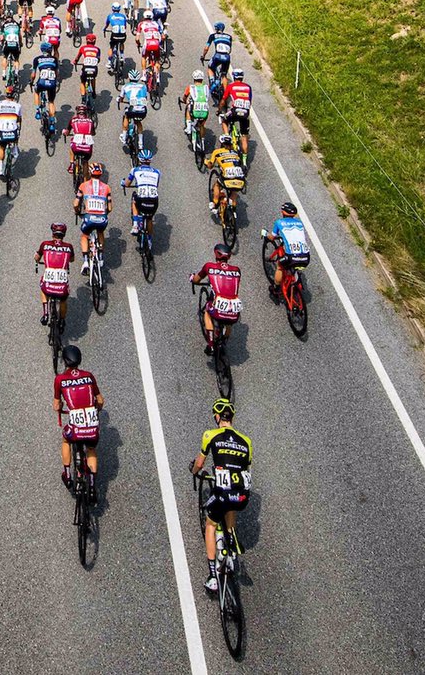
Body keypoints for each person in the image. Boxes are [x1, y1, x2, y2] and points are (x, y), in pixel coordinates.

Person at [188, 398, 253, 594]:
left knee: (211, 522)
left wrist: (194, 471)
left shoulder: (210, 435)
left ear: (217, 417)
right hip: (242, 496)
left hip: (223, 493)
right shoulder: (246, 441)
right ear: (231, 417)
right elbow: (246, 467)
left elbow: (199, 464)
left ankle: (212, 576)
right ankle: (231, 544)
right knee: (231, 504)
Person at [54, 344, 101, 494]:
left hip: (75, 428)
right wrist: (95, 410)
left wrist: (61, 407)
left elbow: (56, 405)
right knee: (91, 448)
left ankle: (67, 475)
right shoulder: (88, 376)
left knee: (66, 440)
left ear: (65, 361)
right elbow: (100, 401)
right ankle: (92, 486)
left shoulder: (60, 379)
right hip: (91, 427)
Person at [191, 244, 244, 354]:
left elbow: (196, 280)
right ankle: (224, 342)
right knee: (229, 322)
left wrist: (192, 278)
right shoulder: (237, 270)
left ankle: (211, 345)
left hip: (218, 305)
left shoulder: (209, 267)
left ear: (216, 254)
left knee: (207, 312)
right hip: (234, 310)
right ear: (228, 257)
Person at [265, 201, 313, 291]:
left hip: (291, 257)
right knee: (295, 265)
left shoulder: (279, 222)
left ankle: (276, 288)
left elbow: (272, 237)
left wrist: (265, 234)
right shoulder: (300, 223)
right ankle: (296, 278)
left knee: (280, 267)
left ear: (283, 212)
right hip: (306, 257)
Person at [37, 222, 74, 326]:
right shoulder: (69, 246)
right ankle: (62, 320)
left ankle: (45, 314)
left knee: (43, 288)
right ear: (64, 234)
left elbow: (36, 257)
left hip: (49, 279)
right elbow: (72, 259)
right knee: (63, 299)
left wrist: (37, 261)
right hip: (62, 281)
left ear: (53, 233)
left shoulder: (45, 244)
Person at [74, 162, 112, 263]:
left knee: (84, 236)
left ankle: (86, 261)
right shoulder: (107, 187)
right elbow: (110, 208)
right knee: (100, 232)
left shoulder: (83, 185)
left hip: (89, 218)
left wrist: (77, 212)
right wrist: (104, 213)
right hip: (102, 218)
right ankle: (100, 255)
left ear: (90, 173)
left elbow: (76, 204)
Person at [124, 148, 161, 244]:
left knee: (134, 201)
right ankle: (149, 240)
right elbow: (155, 185)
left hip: (141, 199)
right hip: (154, 200)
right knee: (149, 218)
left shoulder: (135, 170)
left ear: (140, 160)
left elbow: (127, 183)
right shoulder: (157, 172)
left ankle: (135, 225)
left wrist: (123, 183)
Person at [204, 137, 246, 217]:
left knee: (217, 185)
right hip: (240, 178)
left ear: (222, 144)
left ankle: (215, 204)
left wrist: (206, 162)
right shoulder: (235, 152)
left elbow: (210, 165)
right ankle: (233, 210)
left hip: (227, 177)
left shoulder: (217, 152)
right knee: (234, 192)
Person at [0, 87, 24, 171]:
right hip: (12, 132)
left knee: (2, 147)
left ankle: (0, 167)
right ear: (14, 95)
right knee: (16, 132)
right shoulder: (17, 105)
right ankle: (14, 148)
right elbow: (19, 119)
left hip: (2, 131)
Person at [119, 74, 151, 152]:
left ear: (129, 78)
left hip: (133, 109)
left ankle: (124, 137)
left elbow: (121, 98)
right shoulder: (143, 86)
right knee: (138, 122)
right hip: (143, 110)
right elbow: (145, 98)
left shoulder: (125, 86)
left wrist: (120, 100)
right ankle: (140, 143)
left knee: (126, 116)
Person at [68, 104, 96, 185]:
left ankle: (72, 164)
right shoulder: (90, 121)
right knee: (85, 161)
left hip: (76, 146)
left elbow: (66, 132)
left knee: (71, 145)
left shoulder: (73, 120)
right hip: (87, 148)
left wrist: (64, 133)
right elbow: (93, 133)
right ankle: (85, 183)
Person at [33, 43, 61, 118]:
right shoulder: (54, 59)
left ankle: (38, 110)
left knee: (36, 91)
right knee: (51, 102)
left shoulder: (37, 59)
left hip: (41, 83)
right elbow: (57, 73)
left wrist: (31, 81)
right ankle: (52, 122)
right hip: (52, 83)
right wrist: (57, 82)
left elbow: (33, 75)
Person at [75, 33, 102, 100]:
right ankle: (94, 92)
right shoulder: (97, 49)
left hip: (85, 68)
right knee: (93, 77)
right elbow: (98, 60)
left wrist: (75, 62)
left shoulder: (83, 48)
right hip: (94, 69)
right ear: (95, 41)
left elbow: (77, 58)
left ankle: (83, 97)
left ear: (86, 41)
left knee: (82, 81)